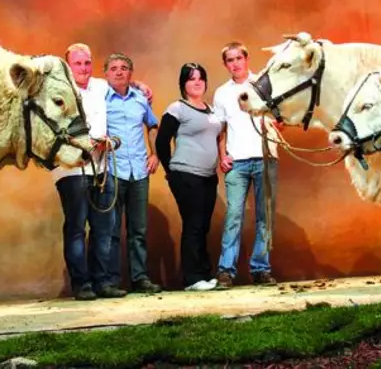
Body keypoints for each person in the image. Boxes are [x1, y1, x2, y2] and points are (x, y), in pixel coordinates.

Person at [51, 43, 127, 300]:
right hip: (71, 169)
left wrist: (140, 87)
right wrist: (85, 141)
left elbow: (122, 85)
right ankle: (81, 284)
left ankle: (102, 282)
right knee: (76, 227)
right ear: (68, 66)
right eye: (77, 63)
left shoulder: (100, 86)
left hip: (102, 166)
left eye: (86, 63)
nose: (83, 68)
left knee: (104, 227)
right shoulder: (58, 90)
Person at [213, 41, 280, 288]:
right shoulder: (221, 93)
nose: (235, 63)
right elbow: (220, 129)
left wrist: (275, 127)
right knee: (233, 216)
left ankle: (261, 269)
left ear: (246, 59)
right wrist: (223, 156)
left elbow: (279, 117)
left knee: (265, 217)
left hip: (265, 158)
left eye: (238, 58)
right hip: (237, 162)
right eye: (230, 60)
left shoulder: (263, 84)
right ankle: (226, 271)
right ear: (226, 64)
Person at [156, 63, 223, 291]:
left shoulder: (211, 110)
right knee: (193, 224)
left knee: (203, 225)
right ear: (183, 83)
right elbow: (161, 141)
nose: (197, 82)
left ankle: (204, 273)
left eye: (201, 78)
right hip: (185, 175)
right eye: (191, 78)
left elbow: (217, 138)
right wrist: (170, 171)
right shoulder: (177, 108)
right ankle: (192, 279)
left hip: (208, 176)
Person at [104, 52, 163, 294]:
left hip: (139, 170)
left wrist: (155, 154)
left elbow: (152, 125)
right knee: (113, 230)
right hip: (112, 170)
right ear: (106, 73)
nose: (119, 72)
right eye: (114, 68)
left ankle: (140, 278)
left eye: (124, 68)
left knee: (138, 230)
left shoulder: (140, 99)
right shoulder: (100, 100)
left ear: (131, 73)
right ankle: (112, 281)